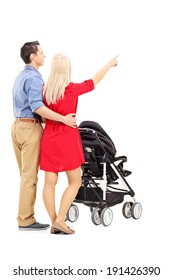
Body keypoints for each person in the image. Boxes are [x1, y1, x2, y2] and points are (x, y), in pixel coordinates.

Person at [40, 53, 118, 234]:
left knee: (49, 183)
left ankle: (54, 221)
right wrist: (110, 63)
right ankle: (60, 219)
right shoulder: (72, 89)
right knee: (75, 181)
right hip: (67, 139)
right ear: (67, 70)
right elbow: (95, 80)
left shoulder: (44, 90)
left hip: (49, 139)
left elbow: (43, 117)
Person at [11, 41, 76, 231]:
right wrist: (63, 119)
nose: (44, 55)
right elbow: (37, 107)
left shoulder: (20, 76)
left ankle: (29, 218)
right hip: (30, 129)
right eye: (41, 52)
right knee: (30, 178)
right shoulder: (35, 79)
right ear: (33, 56)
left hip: (17, 127)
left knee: (26, 176)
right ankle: (26, 220)